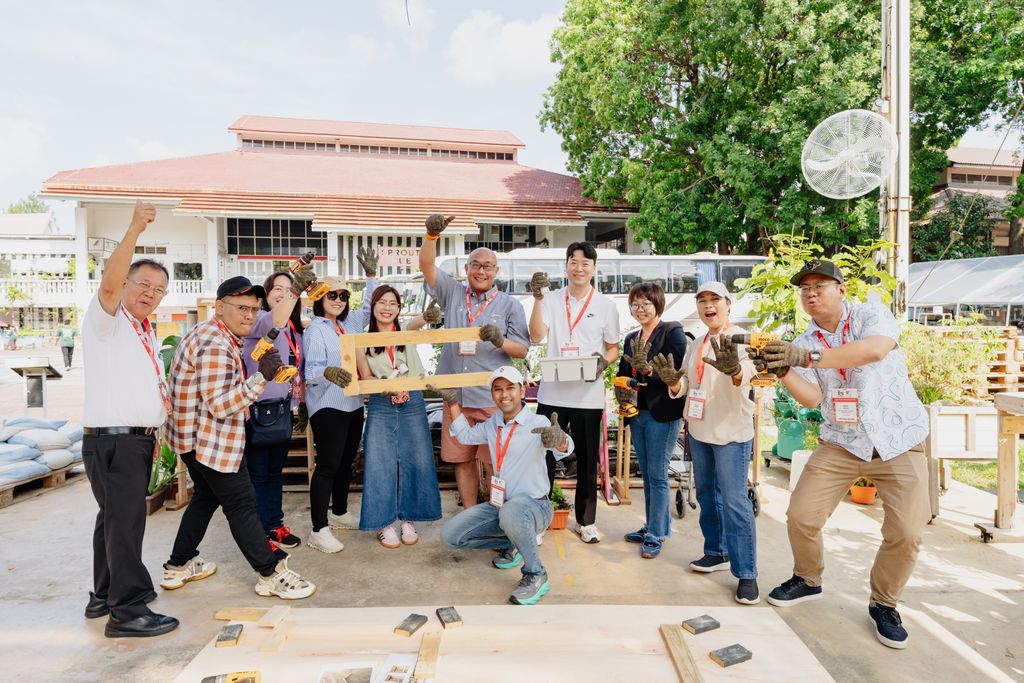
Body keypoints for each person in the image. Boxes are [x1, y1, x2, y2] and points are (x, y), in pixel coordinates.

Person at [755, 259, 930, 649]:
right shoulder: (804, 340)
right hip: (841, 442)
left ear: (841, 289)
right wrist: (783, 370)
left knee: (907, 532)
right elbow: (812, 397)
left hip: (897, 440)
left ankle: (884, 603)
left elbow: (874, 350)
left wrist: (806, 358)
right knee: (801, 515)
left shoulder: (870, 314)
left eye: (819, 286)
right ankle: (808, 579)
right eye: (805, 289)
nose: (811, 294)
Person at [161, 275, 316, 600]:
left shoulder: (214, 333)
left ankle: (178, 564)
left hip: (193, 438)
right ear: (220, 307)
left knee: (206, 497)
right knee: (242, 505)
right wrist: (262, 376)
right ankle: (270, 574)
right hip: (210, 440)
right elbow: (220, 405)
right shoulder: (216, 345)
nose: (249, 315)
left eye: (253, 309)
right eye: (241, 307)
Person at [80, 200, 178, 637]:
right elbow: (108, 282)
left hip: (132, 440)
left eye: (159, 290)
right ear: (123, 283)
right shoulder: (108, 319)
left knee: (113, 519)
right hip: (114, 441)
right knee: (126, 524)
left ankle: (104, 594)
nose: (150, 294)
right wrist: (135, 228)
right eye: (143, 284)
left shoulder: (143, 329)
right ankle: (128, 612)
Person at [652, 281, 760, 604]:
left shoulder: (741, 339)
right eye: (702, 301)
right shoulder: (696, 342)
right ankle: (716, 550)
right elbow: (688, 381)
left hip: (731, 434)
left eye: (715, 300)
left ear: (728, 304)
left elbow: (749, 375)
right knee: (707, 497)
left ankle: (747, 573)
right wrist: (674, 383)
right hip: (699, 431)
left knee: (735, 502)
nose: (708, 306)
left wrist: (736, 370)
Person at [419, 214, 530, 510]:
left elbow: (522, 349)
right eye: (476, 265)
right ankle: (471, 516)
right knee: (462, 459)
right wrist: (431, 237)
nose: (481, 271)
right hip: (455, 396)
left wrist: (500, 341)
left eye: (487, 266)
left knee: (495, 462)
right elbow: (427, 266)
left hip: (492, 398)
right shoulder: (452, 292)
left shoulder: (510, 305)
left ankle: (496, 515)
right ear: (467, 268)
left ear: (496, 271)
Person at [437, 366, 573, 605]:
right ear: (492, 394)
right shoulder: (493, 424)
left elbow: (565, 448)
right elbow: (466, 436)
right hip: (500, 507)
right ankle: (514, 542)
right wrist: (453, 403)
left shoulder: (538, 422)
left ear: (522, 390)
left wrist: (560, 440)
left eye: (510, 388)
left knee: (512, 511)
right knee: (450, 536)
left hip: (535, 507)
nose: (504, 394)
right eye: (498, 389)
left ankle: (536, 574)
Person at [528, 242, 619, 543]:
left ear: (594, 268)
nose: (578, 268)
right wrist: (537, 299)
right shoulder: (551, 299)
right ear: (566, 266)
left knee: (587, 460)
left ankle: (586, 522)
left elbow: (613, 348)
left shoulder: (606, 306)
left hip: (587, 396)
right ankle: (540, 520)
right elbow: (536, 336)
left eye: (585, 263)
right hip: (552, 394)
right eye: (573, 262)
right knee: (544, 458)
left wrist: (603, 363)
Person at [302, 254, 380, 554]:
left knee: (347, 462)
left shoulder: (349, 325)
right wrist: (327, 372)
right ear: (320, 299)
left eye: (343, 296)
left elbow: (369, 308)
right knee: (328, 466)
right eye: (331, 295)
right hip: (328, 406)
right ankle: (318, 529)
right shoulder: (315, 330)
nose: (338, 300)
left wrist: (371, 277)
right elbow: (309, 372)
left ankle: (339, 512)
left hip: (353, 404)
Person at [356, 285, 442, 547]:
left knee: (417, 458)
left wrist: (428, 316)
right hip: (381, 402)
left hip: (412, 401)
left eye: (393, 303)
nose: (387, 308)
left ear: (399, 308)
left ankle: (409, 518)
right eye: (382, 302)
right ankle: (382, 523)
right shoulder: (362, 341)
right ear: (373, 306)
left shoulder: (405, 330)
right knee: (378, 461)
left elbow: (419, 321)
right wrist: (387, 385)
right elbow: (365, 376)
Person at [240, 266, 317, 556]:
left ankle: (274, 525)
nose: (284, 294)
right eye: (278, 290)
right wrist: (295, 292)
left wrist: (301, 405)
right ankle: (259, 534)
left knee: (274, 474)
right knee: (259, 476)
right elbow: (277, 318)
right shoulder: (261, 320)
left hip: (282, 409)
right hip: (257, 410)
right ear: (266, 294)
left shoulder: (292, 329)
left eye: (289, 289)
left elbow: (297, 370)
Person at [614, 282, 687, 560]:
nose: (640, 308)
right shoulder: (631, 337)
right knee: (646, 473)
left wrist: (647, 370)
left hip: (663, 413)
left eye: (646, 303)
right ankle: (652, 526)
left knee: (657, 475)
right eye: (635, 304)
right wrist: (621, 389)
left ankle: (657, 534)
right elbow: (624, 371)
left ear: (658, 304)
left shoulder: (672, 331)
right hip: (637, 412)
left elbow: (674, 369)